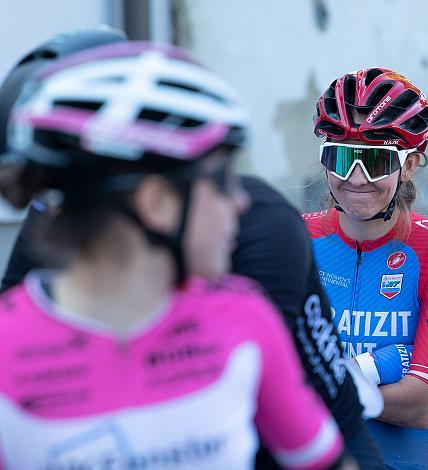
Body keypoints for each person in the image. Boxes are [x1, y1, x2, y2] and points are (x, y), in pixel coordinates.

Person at [0, 28, 384, 469]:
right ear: (157, 202)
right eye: (220, 180)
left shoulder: (245, 314)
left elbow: (334, 444)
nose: (240, 200)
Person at [304, 67, 428, 469]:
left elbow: (423, 403)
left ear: (411, 165)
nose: (356, 178)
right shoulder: (298, 240)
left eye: (377, 162)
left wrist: (318, 384)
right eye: (341, 158)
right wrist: (376, 367)